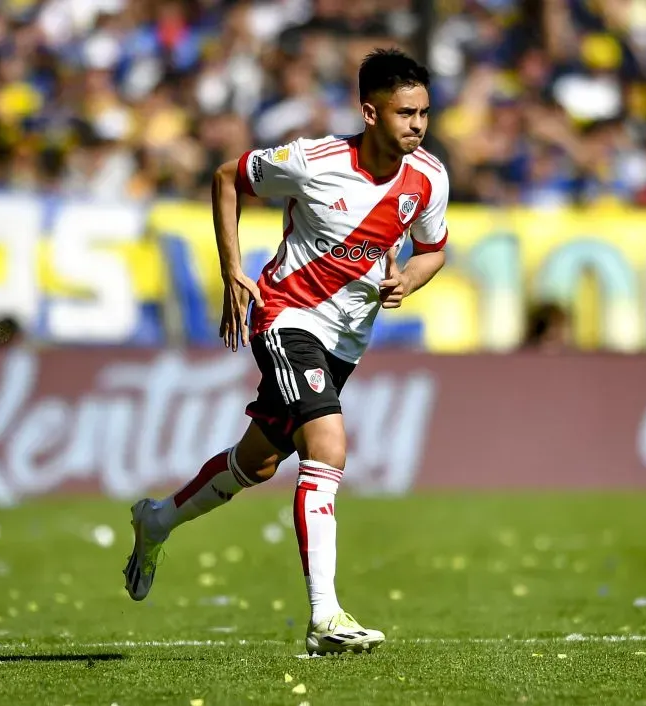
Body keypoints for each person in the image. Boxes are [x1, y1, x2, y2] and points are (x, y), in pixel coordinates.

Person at [122, 48, 450, 656]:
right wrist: (231, 272)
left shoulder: (428, 177)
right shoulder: (314, 160)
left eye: (425, 113)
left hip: (346, 340)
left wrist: (409, 277)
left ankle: (157, 520)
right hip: (285, 316)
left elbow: (434, 249)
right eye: (406, 113)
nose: (418, 125)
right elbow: (227, 177)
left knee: (260, 463)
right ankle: (325, 615)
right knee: (327, 444)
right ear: (369, 112)